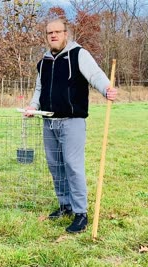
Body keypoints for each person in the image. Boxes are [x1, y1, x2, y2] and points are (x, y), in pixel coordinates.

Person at [24, 18, 117, 233]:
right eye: (50, 33)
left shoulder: (78, 54)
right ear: (46, 36)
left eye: (57, 32)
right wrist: (32, 106)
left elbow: (95, 75)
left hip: (72, 122)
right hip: (48, 121)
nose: (53, 35)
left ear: (66, 33)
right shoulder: (43, 62)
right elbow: (39, 89)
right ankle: (64, 205)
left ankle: (80, 213)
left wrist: (106, 89)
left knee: (73, 167)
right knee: (55, 166)